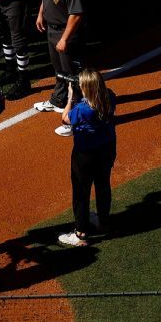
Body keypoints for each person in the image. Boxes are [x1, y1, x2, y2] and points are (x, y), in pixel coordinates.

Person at [59, 69, 117, 246]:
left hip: (85, 156)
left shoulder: (83, 109)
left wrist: (70, 97)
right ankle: (103, 222)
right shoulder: (109, 97)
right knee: (103, 185)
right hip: (107, 150)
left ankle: (80, 233)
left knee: (81, 192)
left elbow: (65, 118)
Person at [34, 0, 86, 131]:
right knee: (59, 71)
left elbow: (76, 14)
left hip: (67, 33)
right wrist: (41, 13)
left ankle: (76, 118)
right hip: (52, 29)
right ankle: (58, 100)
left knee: (75, 78)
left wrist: (64, 38)